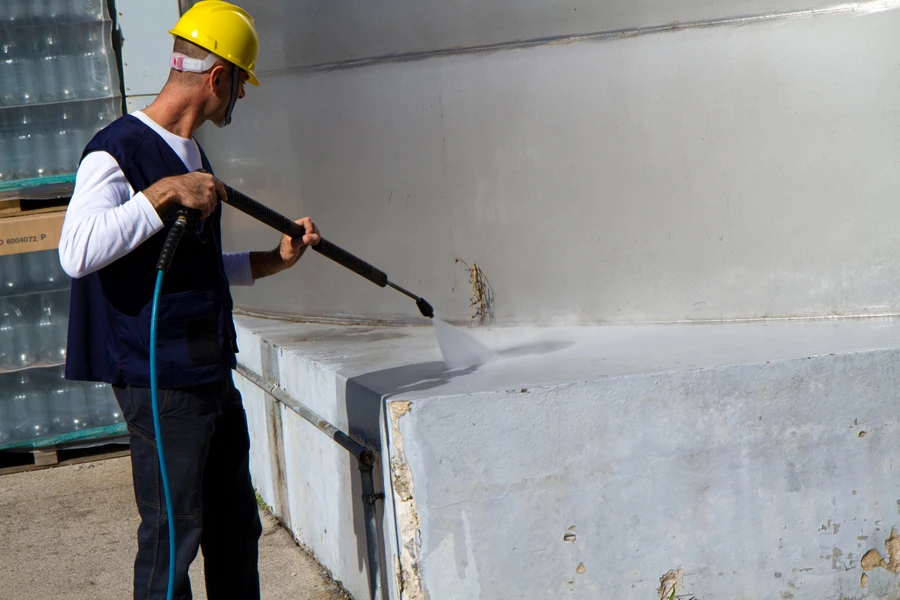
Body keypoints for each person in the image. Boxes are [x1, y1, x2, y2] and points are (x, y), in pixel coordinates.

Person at [57, 2, 318, 598]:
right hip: (160, 379)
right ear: (217, 77)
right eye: (240, 88)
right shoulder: (116, 150)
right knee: (174, 537)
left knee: (234, 529)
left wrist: (272, 262)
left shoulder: (192, 153)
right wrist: (164, 191)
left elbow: (189, 272)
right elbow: (77, 251)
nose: (239, 103)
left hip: (208, 370)